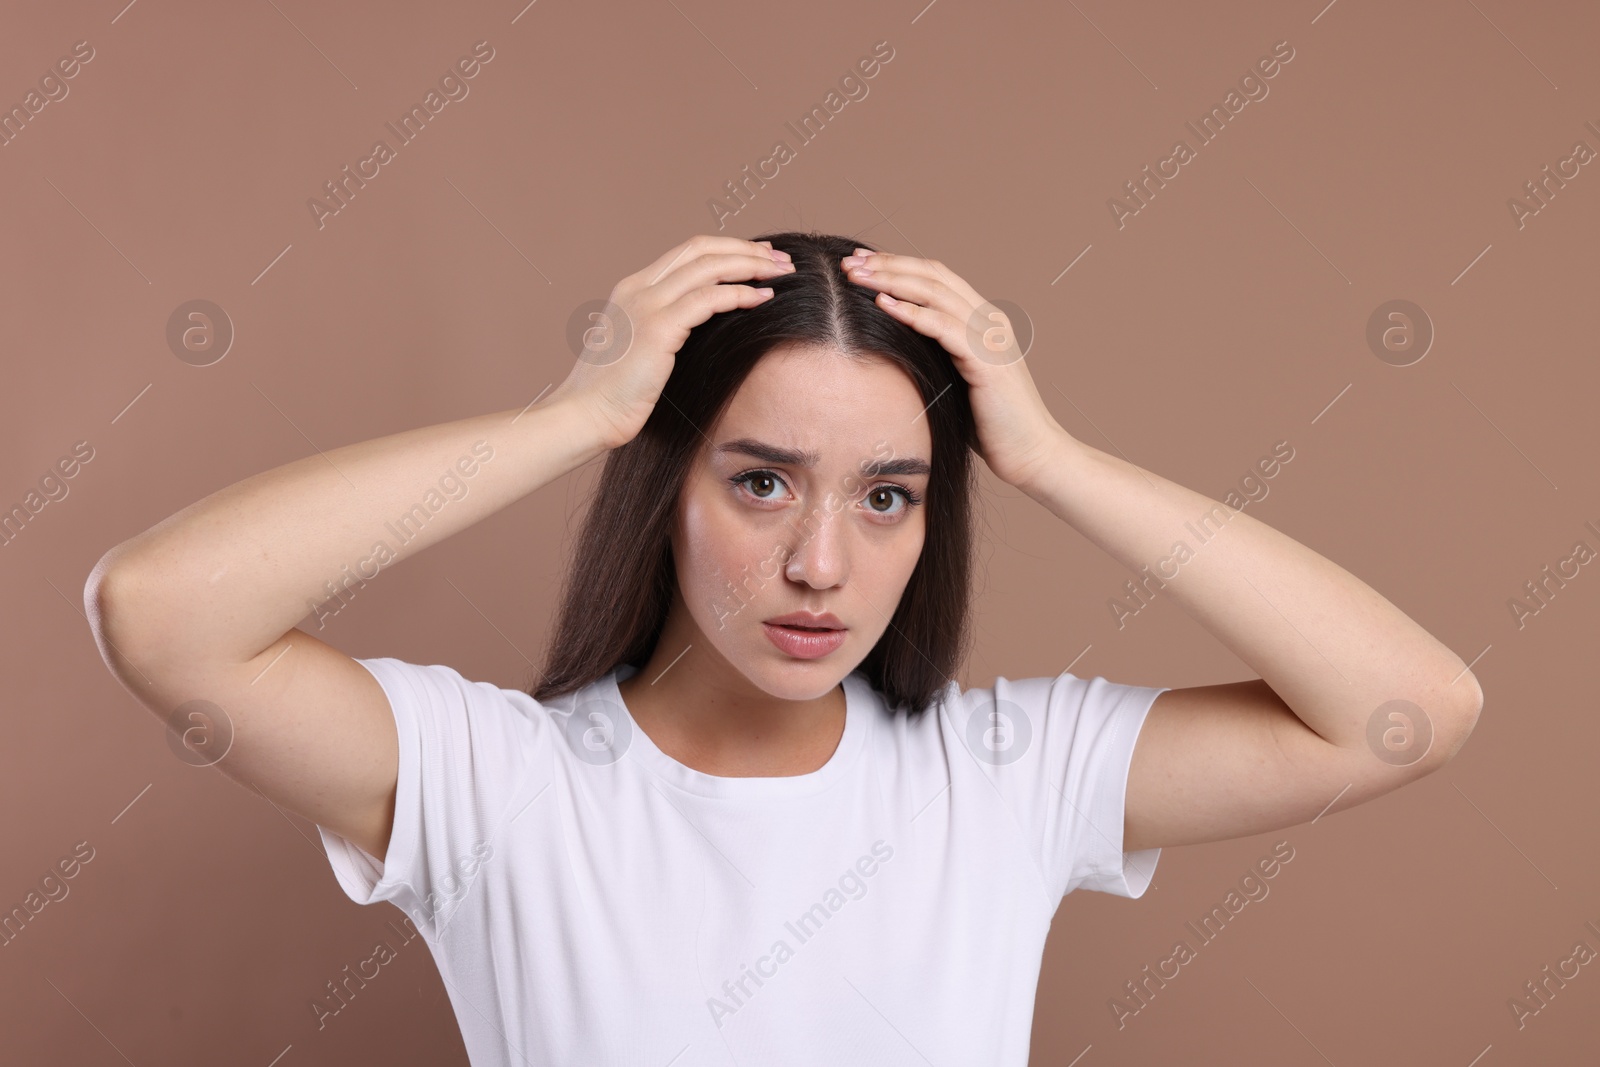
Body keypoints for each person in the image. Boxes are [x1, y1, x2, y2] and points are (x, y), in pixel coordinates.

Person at [85, 231, 1483, 1065]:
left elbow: (1407, 708)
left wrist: (1052, 460)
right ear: (665, 485)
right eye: (761, 481)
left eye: (889, 495)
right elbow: (160, 612)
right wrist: (574, 418)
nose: (824, 563)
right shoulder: (497, 781)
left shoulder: (1003, 774)